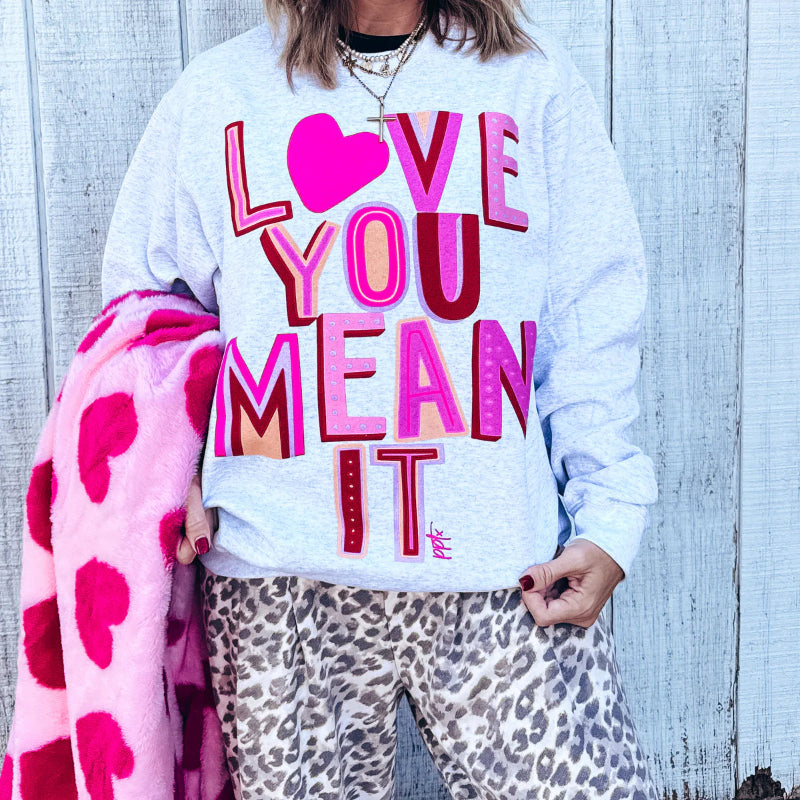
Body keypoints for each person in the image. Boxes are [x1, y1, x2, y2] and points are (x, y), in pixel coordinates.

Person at [100, 0, 660, 797]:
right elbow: (144, 314)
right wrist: (173, 469)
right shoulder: (220, 97)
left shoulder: (530, 86)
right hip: (279, 577)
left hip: (504, 566)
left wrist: (608, 514)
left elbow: (591, 312)